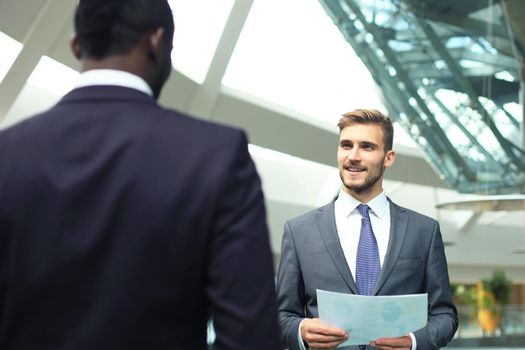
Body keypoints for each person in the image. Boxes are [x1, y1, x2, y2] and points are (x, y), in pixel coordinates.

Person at [0, 1, 282, 349]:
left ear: (76, 45)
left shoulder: (7, 153)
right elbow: (251, 337)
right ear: (156, 41)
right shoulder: (217, 155)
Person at [276, 109, 458, 350]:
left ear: (389, 157)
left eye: (367, 147)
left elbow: (445, 315)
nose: (353, 156)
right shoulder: (299, 231)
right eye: (346, 145)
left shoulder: (424, 231)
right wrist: (301, 331)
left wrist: (414, 343)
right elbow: (280, 316)